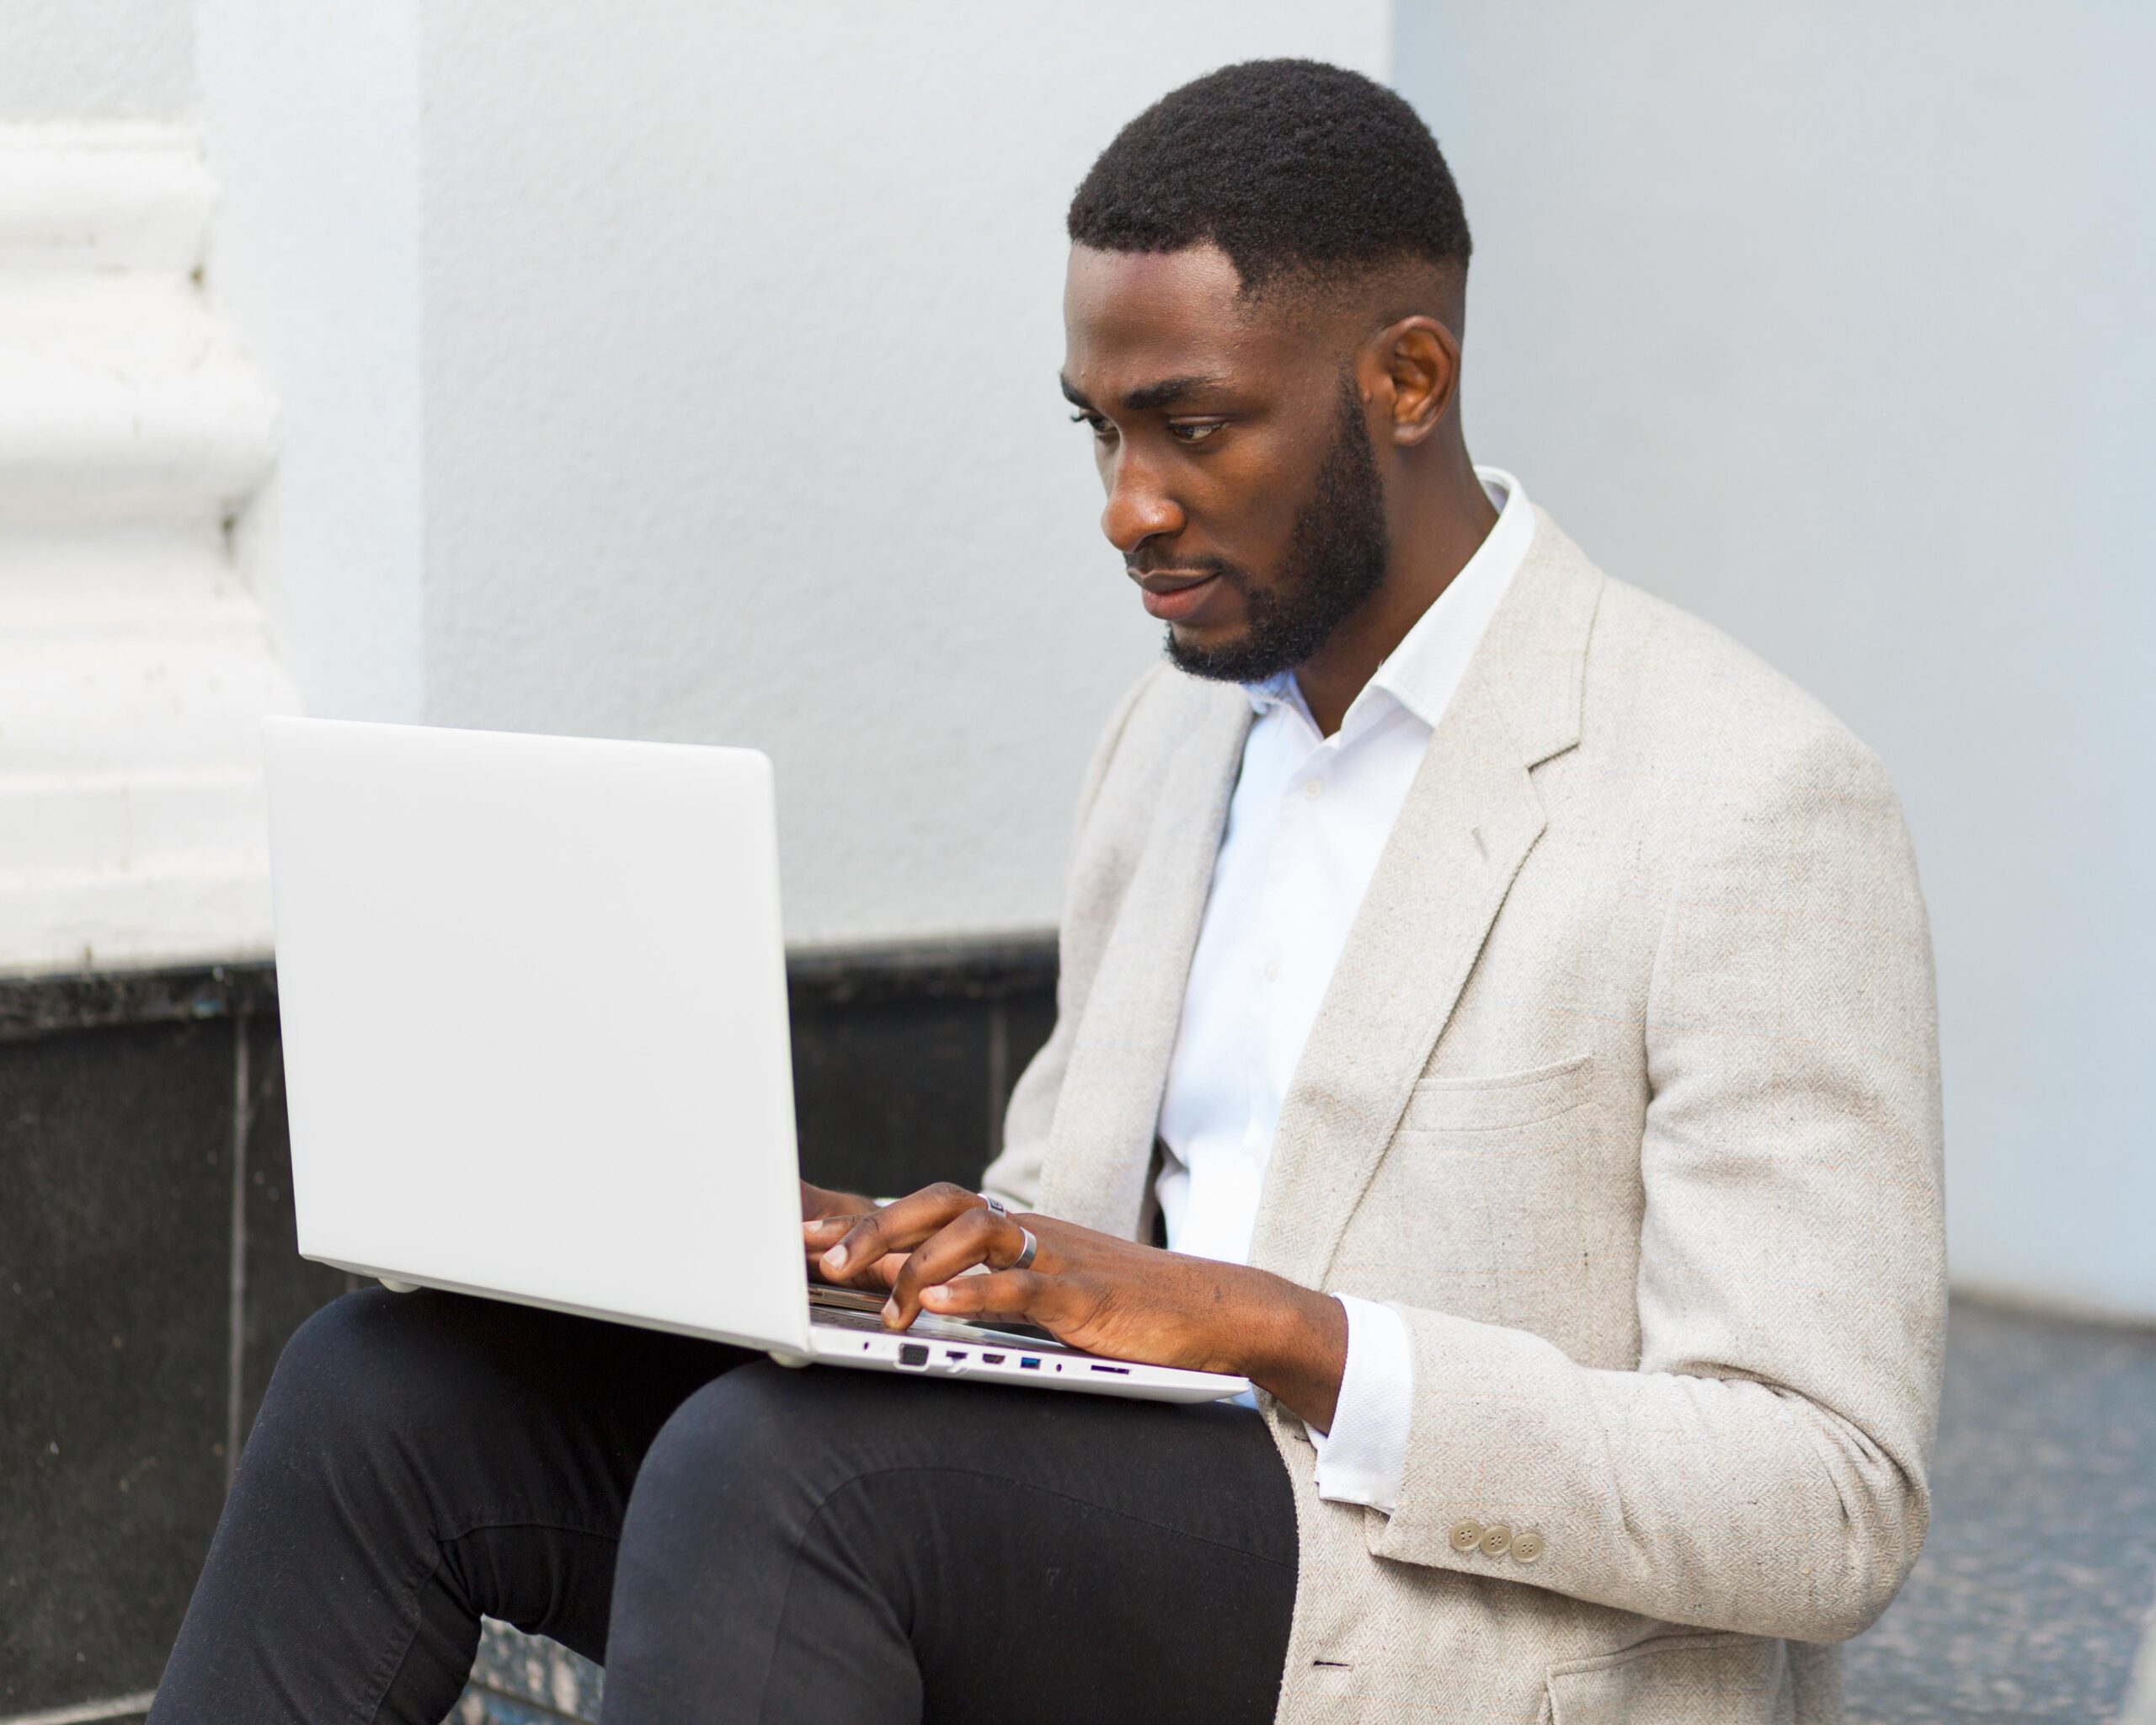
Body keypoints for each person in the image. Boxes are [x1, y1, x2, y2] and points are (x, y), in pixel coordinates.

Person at [152, 58, 1945, 1725]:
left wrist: (1279, 1328)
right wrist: (888, 1260)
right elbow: (1060, 1218)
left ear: (1404, 380)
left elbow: (1824, 1491)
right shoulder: (1164, 751)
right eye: (1096, 428)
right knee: (387, 1392)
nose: (1125, 505)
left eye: (1190, 428)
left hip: (1434, 1605)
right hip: (1105, 1503)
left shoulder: (1739, 796)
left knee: (784, 1479)